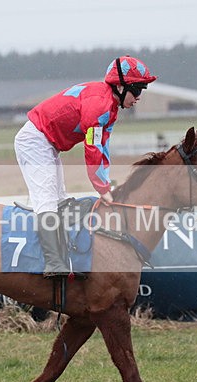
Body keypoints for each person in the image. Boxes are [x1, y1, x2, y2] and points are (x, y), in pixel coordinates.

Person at [14, 55, 157, 277]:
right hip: (35, 140)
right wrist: (102, 188)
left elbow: (103, 149)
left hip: (48, 143)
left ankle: (64, 258)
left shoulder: (110, 107)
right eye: (137, 90)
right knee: (48, 199)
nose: (138, 98)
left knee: (60, 201)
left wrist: (106, 186)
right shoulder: (99, 105)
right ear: (120, 86)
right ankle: (53, 263)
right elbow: (92, 151)